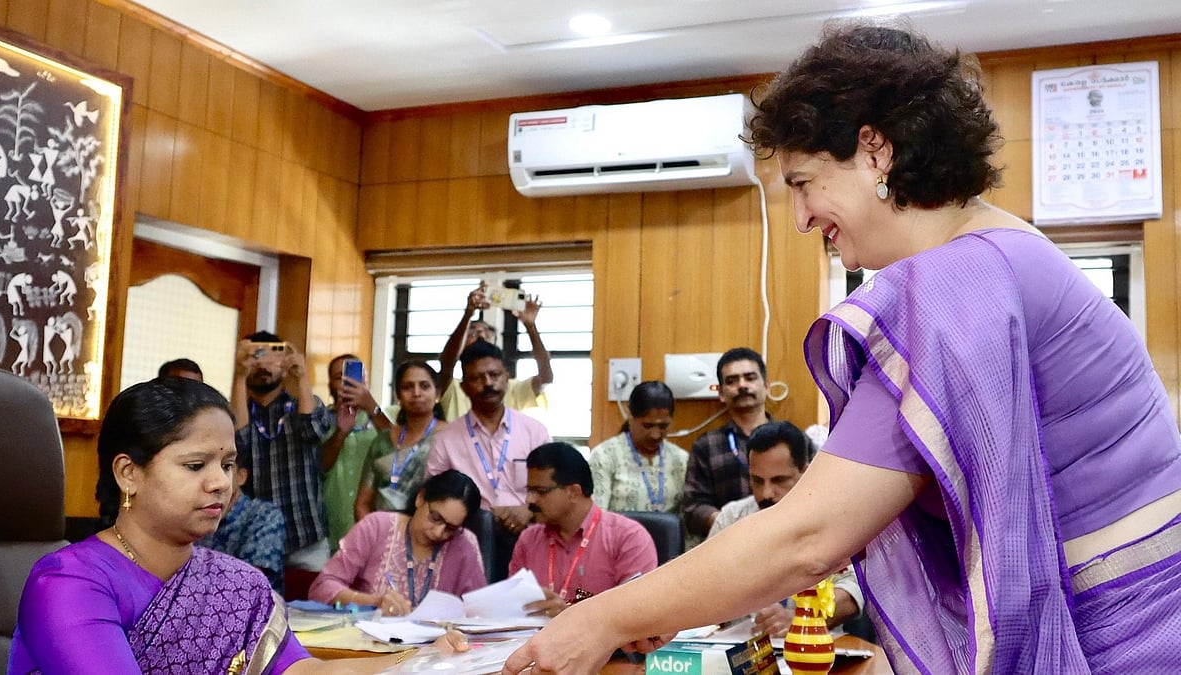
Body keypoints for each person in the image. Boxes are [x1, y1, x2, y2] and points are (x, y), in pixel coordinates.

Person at [502, 22, 1181, 675]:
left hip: (1120, 642)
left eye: (802, 183)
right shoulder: (1002, 249)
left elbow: (808, 536)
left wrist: (602, 619)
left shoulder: (956, 281)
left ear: (876, 151)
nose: (799, 219)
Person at [9, 377, 464, 674]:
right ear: (129, 473)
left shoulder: (236, 583)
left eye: (227, 464)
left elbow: (301, 672)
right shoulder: (70, 582)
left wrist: (420, 661)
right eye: (194, 465)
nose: (219, 483)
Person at [708, 421, 860, 635]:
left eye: (779, 480)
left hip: (811, 649)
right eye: (757, 481)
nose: (766, 493)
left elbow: (855, 587)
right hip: (739, 651)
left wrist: (803, 618)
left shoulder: (833, 522)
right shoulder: (731, 518)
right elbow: (705, 585)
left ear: (805, 473)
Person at [309, 470, 487, 616]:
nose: (438, 532)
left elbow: (479, 612)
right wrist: (374, 602)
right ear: (420, 498)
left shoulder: (464, 545)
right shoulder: (377, 527)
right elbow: (323, 586)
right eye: (435, 518)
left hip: (435, 649)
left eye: (451, 528)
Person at [510, 443, 657, 618]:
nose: (529, 500)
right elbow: (513, 606)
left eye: (540, 491)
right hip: (534, 641)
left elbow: (637, 611)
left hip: (607, 644)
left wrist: (570, 615)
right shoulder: (529, 540)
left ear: (573, 491)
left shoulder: (628, 537)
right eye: (529, 490)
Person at [230, 330, 335, 574]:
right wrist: (239, 375)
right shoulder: (238, 410)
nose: (263, 365)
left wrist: (302, 378)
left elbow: (312, 430)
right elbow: (236, 444)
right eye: (257, 355)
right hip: (255, 539)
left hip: (306, 538)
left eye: (272, 357)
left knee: (313, 609)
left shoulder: (304, 404)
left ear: (285, 364)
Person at [425, 340, 553, 536]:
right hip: (469, 536)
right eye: (477, 378)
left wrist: (528, 510)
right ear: (464, 387)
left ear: (507, 378)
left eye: (494, 375)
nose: (487, 383)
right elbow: (434, 496)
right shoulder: (446, 440)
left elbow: (553, 486)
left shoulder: (534, 432)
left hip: (529, 531)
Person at [681, 347, 771, 538]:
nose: (742, 385)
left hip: (786, 542)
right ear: (721, 393)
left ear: (767, 386)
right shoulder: (706, 445)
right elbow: (693, 508)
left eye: (750, 377)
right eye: (732, 381)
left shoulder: (793, 440)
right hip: (727, 546)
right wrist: (732, 525)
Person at [434, 283, 553, 421]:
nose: (481, 336)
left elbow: (546, 377)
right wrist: (468, 313)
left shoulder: (511, 387)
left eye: (487, 333)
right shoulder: (453, 387)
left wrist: (530, 326)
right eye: (472, 332)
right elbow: (447, 363)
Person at [356, 360, 444, 518]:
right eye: (408, 387)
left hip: (431, 532)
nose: (416, 393)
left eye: (424, 386)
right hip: (381, 534)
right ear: (398, 396)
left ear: (438, 394)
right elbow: (362, 504)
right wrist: (374, 537)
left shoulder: (450, 437)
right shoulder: (382, 441)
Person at [320, 353, 387, 552]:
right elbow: (320, 466)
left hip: (374, 523)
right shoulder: (319, 419)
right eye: (338, 376)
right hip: (332, 524)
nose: (345, 382)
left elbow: (399, 450)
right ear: (330, 384)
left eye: (352, 375)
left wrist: (372, 408)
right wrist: (340, 432)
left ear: (364, 380)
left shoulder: (383, 417)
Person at [588, 381, 687, 514]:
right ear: (630, 417)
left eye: (663, 426)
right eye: (647, 425)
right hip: (619, 534)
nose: (655, 434)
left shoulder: (681, 460)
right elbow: (596, 516)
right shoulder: (605, 456)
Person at [195, 449, 287, 591]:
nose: (215, 478)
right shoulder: (192, 513)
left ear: (241, 477)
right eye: (200, 467)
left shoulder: (264, 515)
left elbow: (250, 584)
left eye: (226, 467)